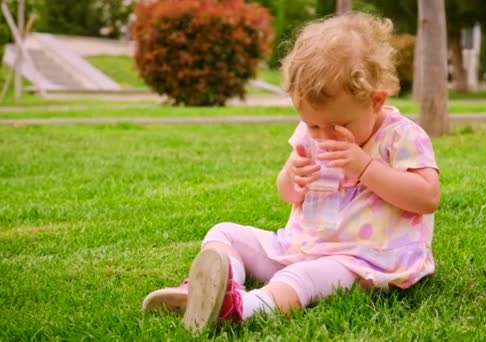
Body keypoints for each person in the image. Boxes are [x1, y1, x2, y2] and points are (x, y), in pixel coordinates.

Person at [142, 12, 440, 334]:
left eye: (337, 126)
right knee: (224, 232)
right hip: (299, 245)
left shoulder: (401, 137)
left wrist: (365, 167)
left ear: (376, 101)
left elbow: (426, 197)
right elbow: (288, 192)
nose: (322, 136)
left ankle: (243, 309)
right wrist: (293, 177)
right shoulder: (310, 133)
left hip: (362, 260)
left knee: (299, 278)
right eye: (313, 125)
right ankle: (207, 286)